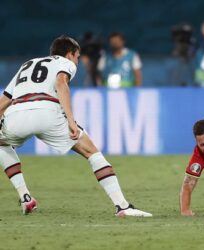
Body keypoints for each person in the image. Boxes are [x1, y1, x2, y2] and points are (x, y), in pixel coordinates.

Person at [0, 35, 151, 217]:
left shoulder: (27, 64)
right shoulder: (66, 63)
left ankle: (25, 197)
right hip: (48, 113)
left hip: (16, 114)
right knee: (91, 152)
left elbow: (5, 100)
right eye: (77, 57)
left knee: (2, 144)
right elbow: (61, 83)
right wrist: (71, 121)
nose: (77, 61)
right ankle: (122, 206)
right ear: (70, 54)